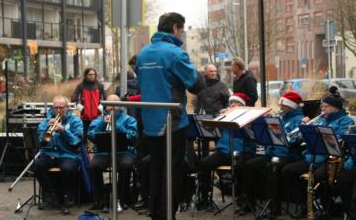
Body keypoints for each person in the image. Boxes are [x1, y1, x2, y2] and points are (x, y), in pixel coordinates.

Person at [135, 12, 204, 220]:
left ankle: (155, 213)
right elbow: (197, 85)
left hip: (149, 121)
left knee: (156, 169)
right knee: (173, 171)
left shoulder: (143, 54)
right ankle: (168, 215)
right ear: (175, 28)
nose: (181, 34)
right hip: (172, 122)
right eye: (181, 30)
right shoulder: (175, 53)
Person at [281, 86, 354, 218]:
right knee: (288, 171)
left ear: (335, 107)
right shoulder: (320, 119)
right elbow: (301, 139)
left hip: (329, 159)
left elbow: (340, 142)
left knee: (320, 176)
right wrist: (304, 129)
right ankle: (307, 205)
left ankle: (327, 207)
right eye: (321, 106)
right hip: (312, 157)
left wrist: (324, 133)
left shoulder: (346, 121)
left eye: (325, 106)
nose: (322, 109)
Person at [243, 91, 304, 216]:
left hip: (289, 155)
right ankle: (250, 203)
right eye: (280, 106)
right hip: (273, 153)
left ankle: (275, 207)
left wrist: (285, 135)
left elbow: (295, 141)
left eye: (284, 106)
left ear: (291, 106)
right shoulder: (280, 118)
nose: (280, 108)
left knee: (271, 168)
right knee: (248, 165)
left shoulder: (299, 120)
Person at [198, 92, 256, 210]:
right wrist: (219, 117)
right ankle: (205, 197)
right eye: (231, 102)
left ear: (242, 105)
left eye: (236, 103)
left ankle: (245, 200)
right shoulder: (225, 115)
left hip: (243, 151)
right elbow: (208, 128)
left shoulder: (251, 117)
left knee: (242, 167)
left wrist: (243, 122)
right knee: (204, 164)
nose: (232, 105)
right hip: (224, 151)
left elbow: (254, 137)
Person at [87, 94, 138, 212]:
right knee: (93, 166)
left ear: (121, 106)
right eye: (110, 105)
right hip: (103, 152)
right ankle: (98, 200)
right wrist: (102, 124)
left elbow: (133, 136)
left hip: (124, 151)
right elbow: (90, 135)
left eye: (116, 105)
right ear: (105, 106)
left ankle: (122, 198)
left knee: (126, 165)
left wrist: (117, 125)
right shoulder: (99, 120)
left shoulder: (129, 119)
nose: (113, 108)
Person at [34, 96, 83, 213]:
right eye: (55, 107)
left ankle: (69, 195)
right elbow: (43, 142)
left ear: (67, 108)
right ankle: (51, 194)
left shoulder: (75, 121)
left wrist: (63, 131)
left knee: (68, 168)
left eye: (61, 107)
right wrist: (48, 129)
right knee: (37, 165)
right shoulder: (46, 122)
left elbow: (76, 142)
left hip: (69, 154)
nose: (58, 110)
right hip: (51, 154)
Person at [71, 68, 107, 134]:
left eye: (93, 74)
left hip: (97, 115)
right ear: (86, 75)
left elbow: (106, 99)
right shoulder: (80, 86)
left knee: (97, 133)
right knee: (85, 133)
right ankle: (84, 144)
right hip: (85, 116)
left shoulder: (100, 85)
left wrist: (101, 108)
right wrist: (81, 108)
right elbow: (73, 98)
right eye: (90, 74)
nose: (92, 76)